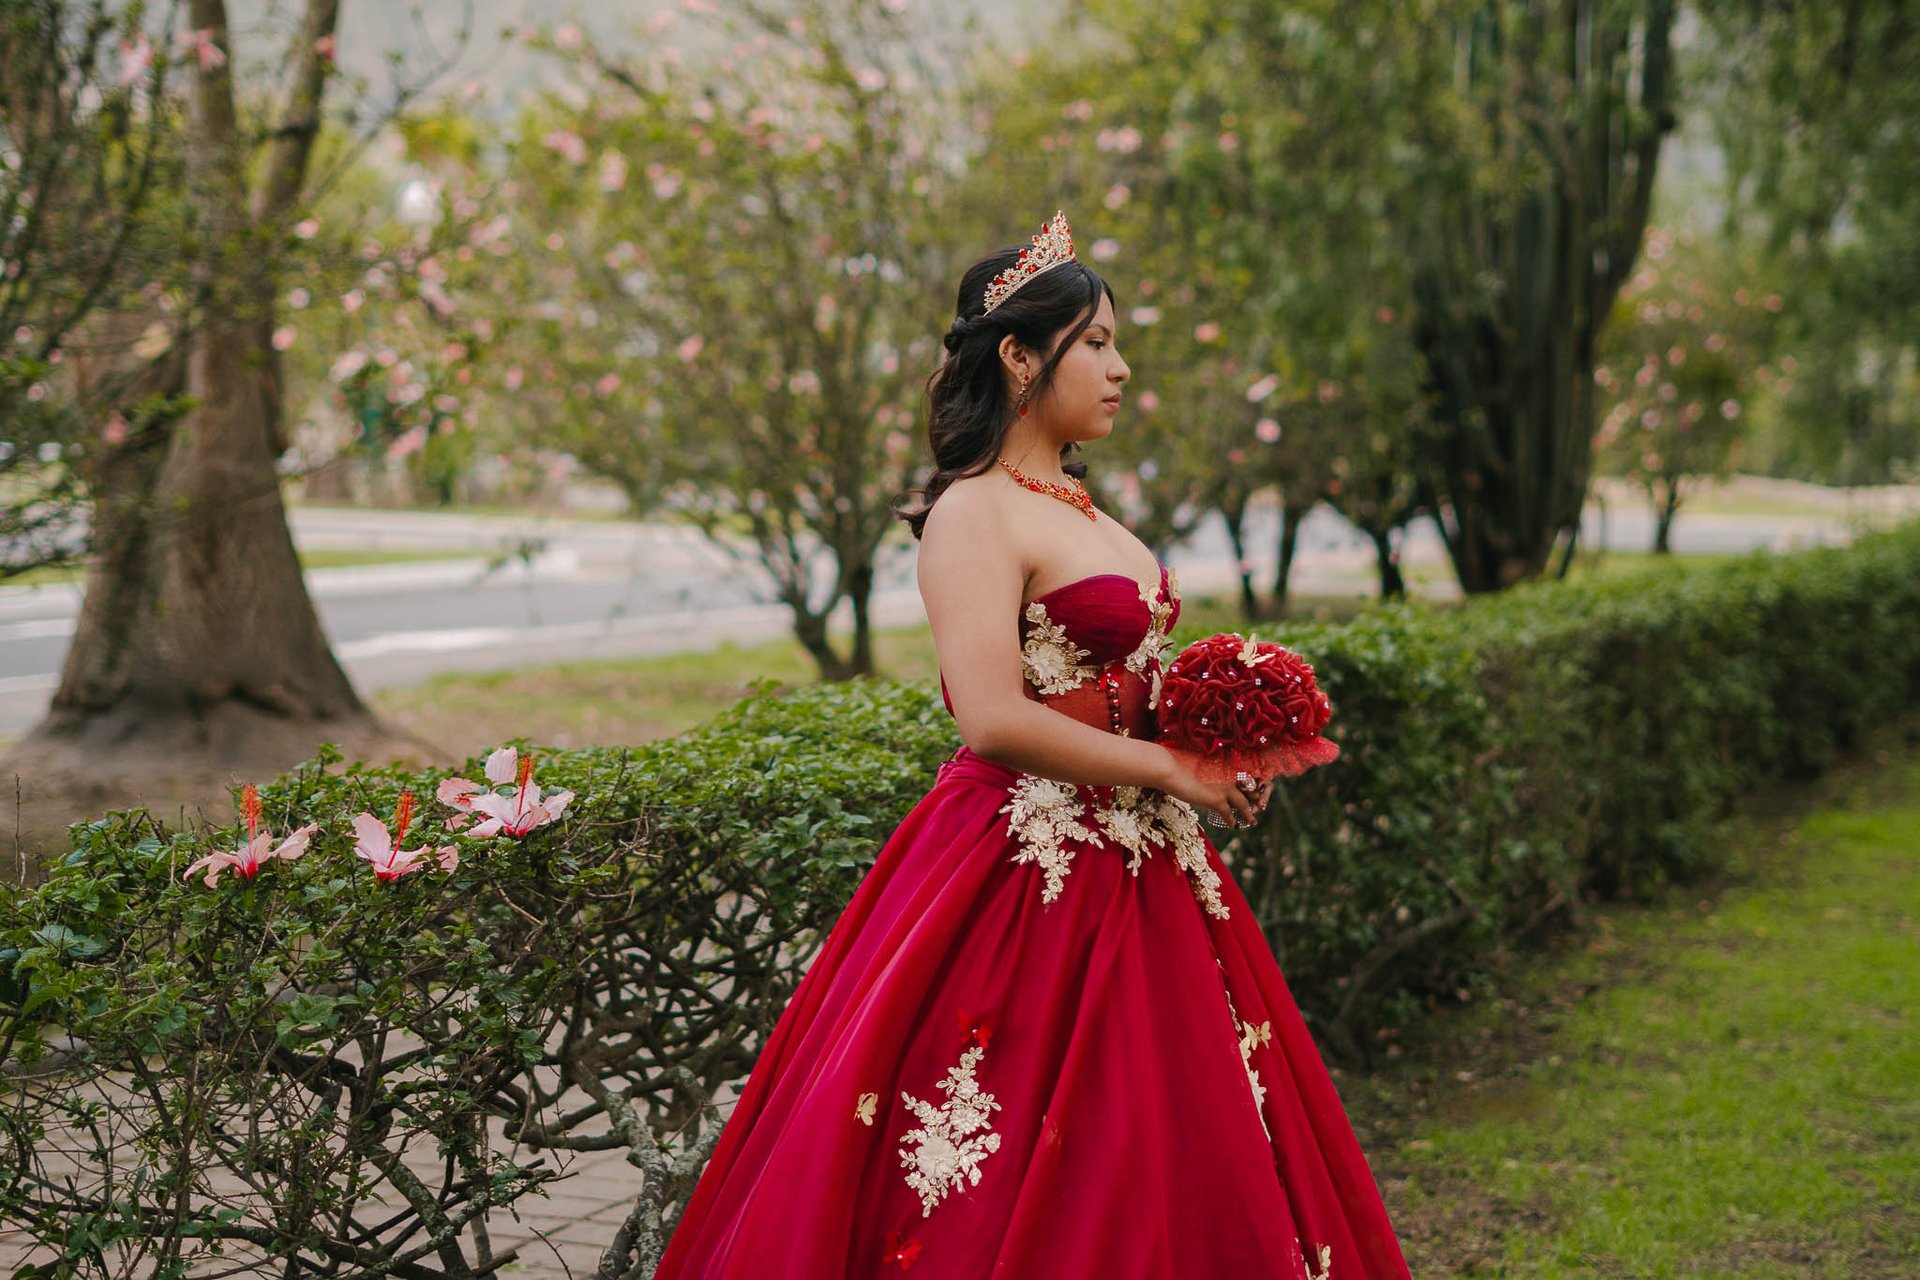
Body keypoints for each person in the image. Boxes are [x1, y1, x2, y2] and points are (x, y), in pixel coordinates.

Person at [652, 213, 1413, 1279]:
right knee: (1003, 1153)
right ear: (1019, 356)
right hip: (1018, 866)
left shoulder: (1092, 513)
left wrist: (1221, 739)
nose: (1120, 365)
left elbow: (1125, 691)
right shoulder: (974, 513)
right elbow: (994, 717)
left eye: (1115, 342)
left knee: (1167, 1138)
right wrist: (1168, 771)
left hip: (1146, 868)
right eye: (1095, 341)